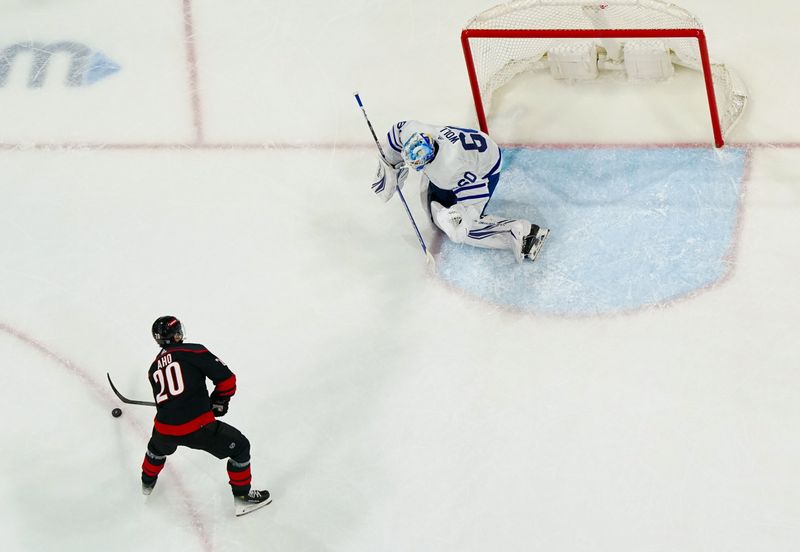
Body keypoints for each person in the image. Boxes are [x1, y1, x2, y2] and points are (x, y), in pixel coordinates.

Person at [140, 315, 271, 517]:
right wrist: (219, 402)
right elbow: (227, 380)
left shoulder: (153, 368)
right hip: (197, 428)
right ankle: (243, 499)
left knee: (155, 449)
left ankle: (146, 485)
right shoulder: (193, 351)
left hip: (164, 429)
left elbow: (165, 402)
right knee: (241, 447)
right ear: (175, 336)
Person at [371, 120, 549, 263]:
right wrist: (390, 167)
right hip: (473, 150)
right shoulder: (411, 130)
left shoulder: (449, 169)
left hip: (484, 168)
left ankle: (524, 233)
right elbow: (396, 135)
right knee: (432, 207)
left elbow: (476, 198)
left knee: (456, 229)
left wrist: (460, 221)